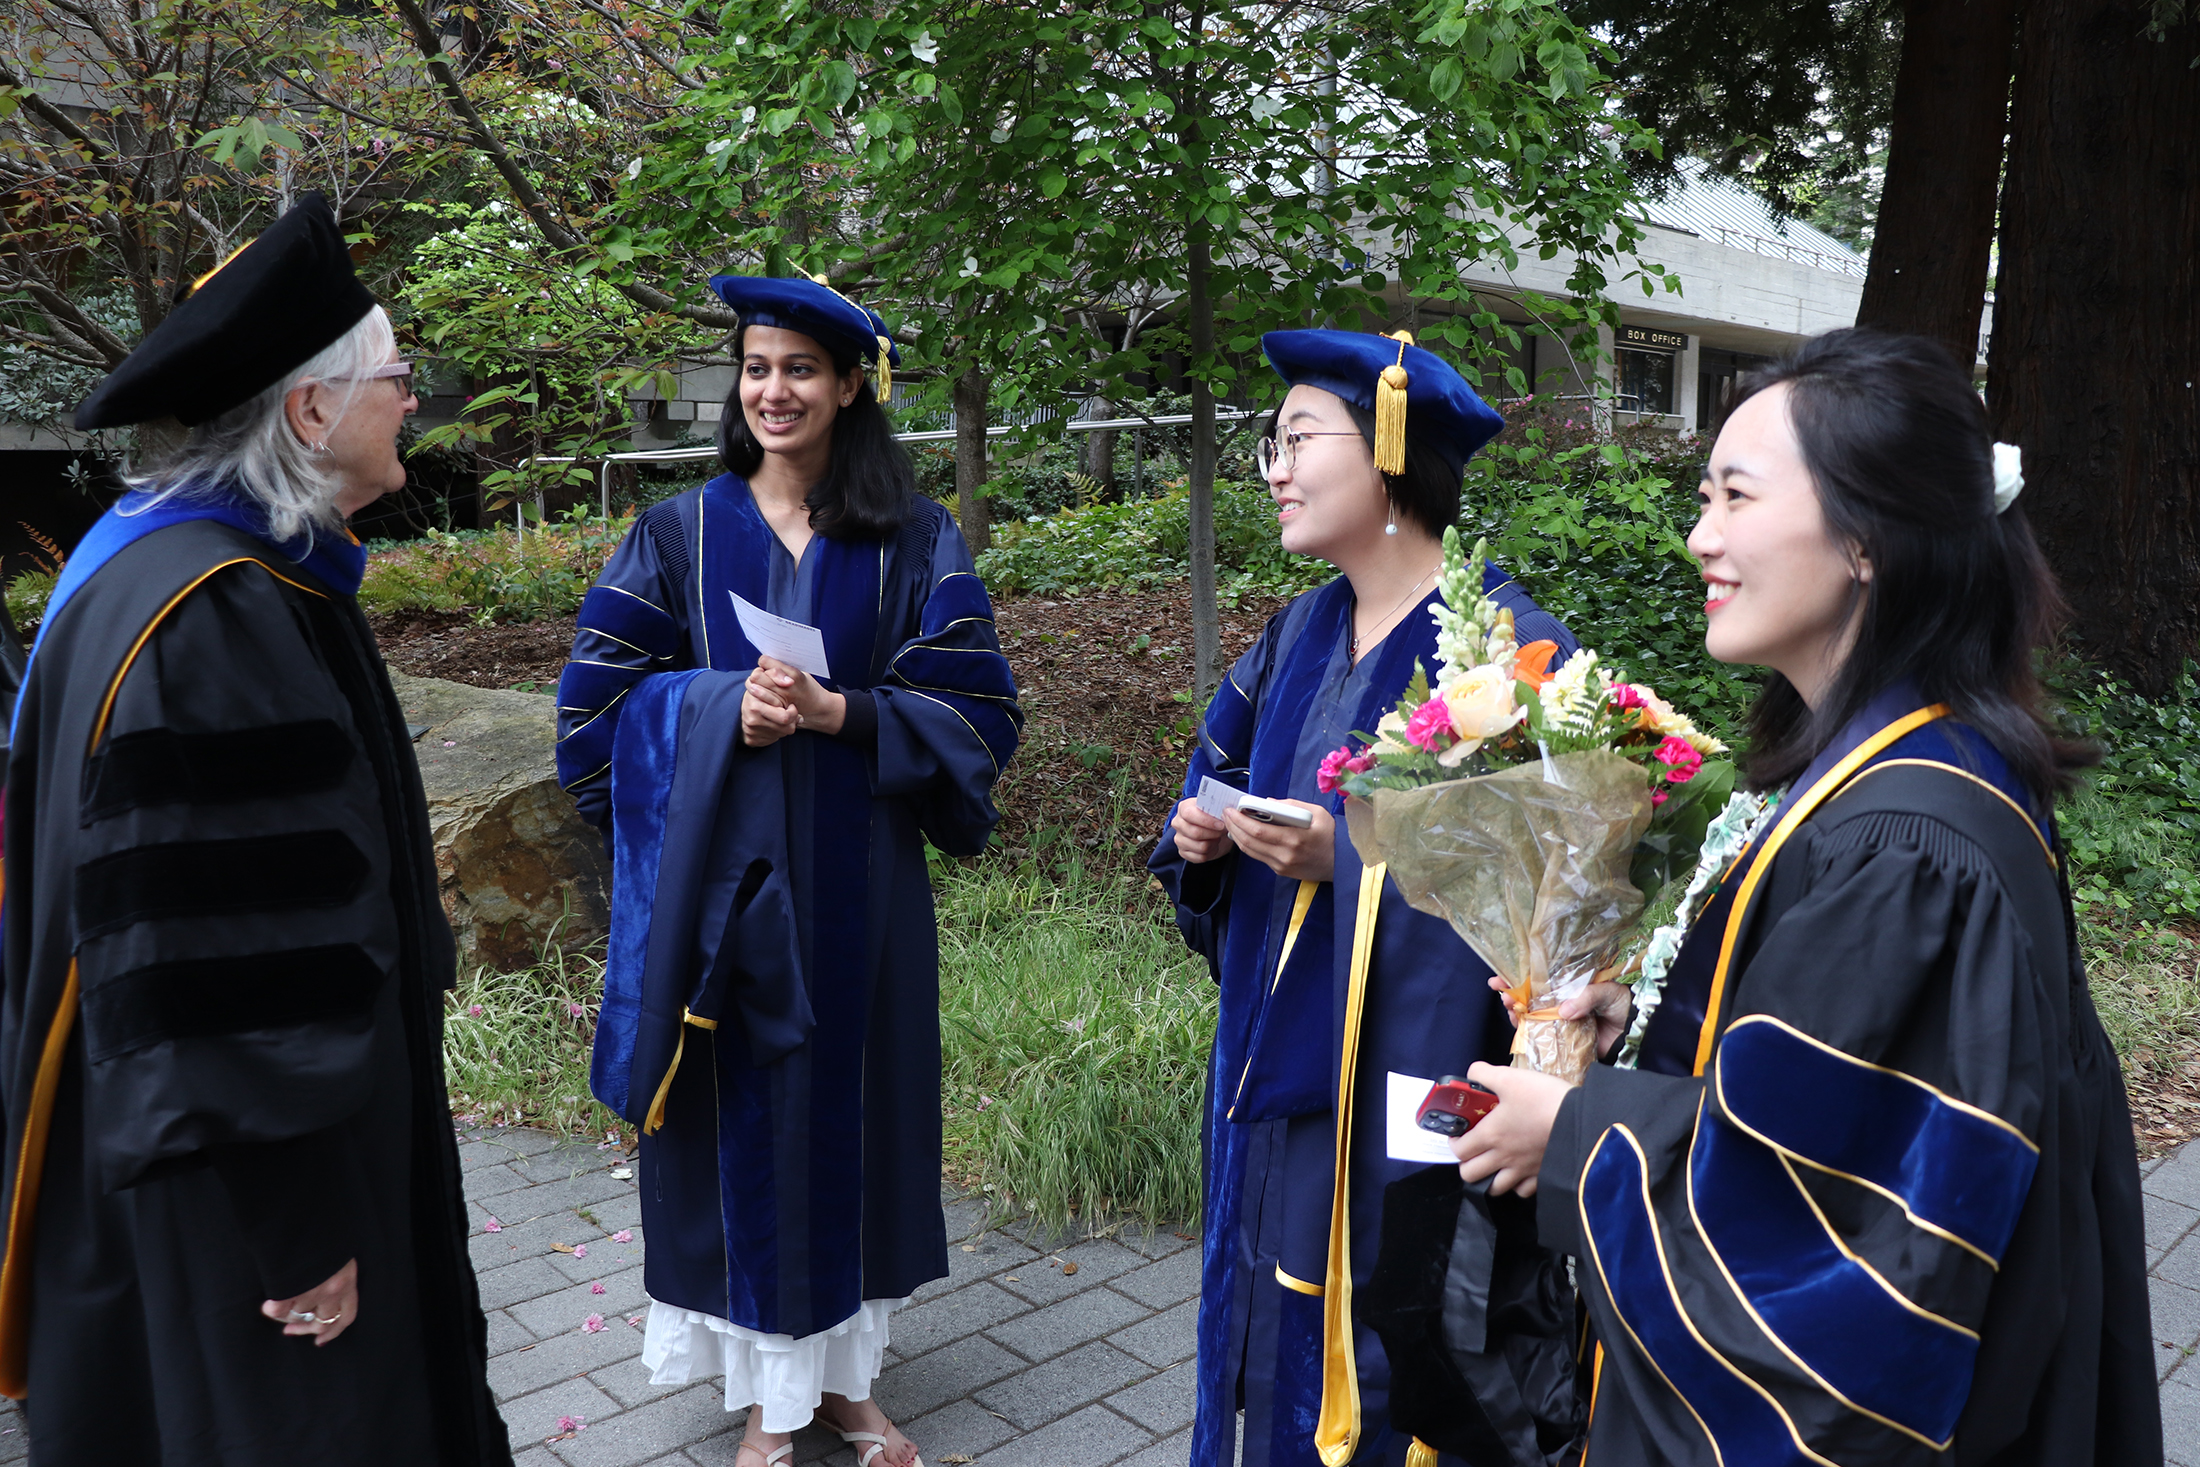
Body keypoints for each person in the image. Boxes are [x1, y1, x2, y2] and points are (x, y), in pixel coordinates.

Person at [1452, 328, 2161, 1465]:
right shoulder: (1885, 770)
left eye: (1735, 496)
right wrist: (1647, 1029)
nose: (1700, 537)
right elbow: (1837, 1080)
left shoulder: (1908, 842)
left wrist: (1581, 1135)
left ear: (1869, 534)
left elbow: (1837, 1237)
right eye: (1702, 497)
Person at [0, 195, 510, 1465]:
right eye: (396, 376)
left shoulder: (149, 570)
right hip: (251, 1210)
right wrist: (298, 1224)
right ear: (310, 411)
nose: (412, 398)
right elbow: (223, 971)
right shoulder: (214, 626)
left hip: (197, 1165)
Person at [554, 274, 1020, 1467]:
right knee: (741, 1124)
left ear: (852, 384)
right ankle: (772, 1399)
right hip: (725, 901)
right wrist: (721, 712)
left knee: (855, 1119)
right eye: (757, 369)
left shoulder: (912, 538)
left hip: (861, 889)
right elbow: (593, 721)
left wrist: (839, 714)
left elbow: (976, 712)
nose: (773, 390)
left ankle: (846, 1386)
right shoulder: (677, 533)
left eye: (801, 369)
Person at [1148, 329, 1579, 1467]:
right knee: (1265, 1316)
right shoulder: (1296, 632)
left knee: (1397, 1344)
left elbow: (1560, 894)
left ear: (1389, 450)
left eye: (1297, 440)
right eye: (1271, 446)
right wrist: (1202, 834)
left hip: (1413, 1076)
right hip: (1281, 1056)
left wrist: (1353, 863)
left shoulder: (1505, 646)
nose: (1276, 470)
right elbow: (1220, 778)